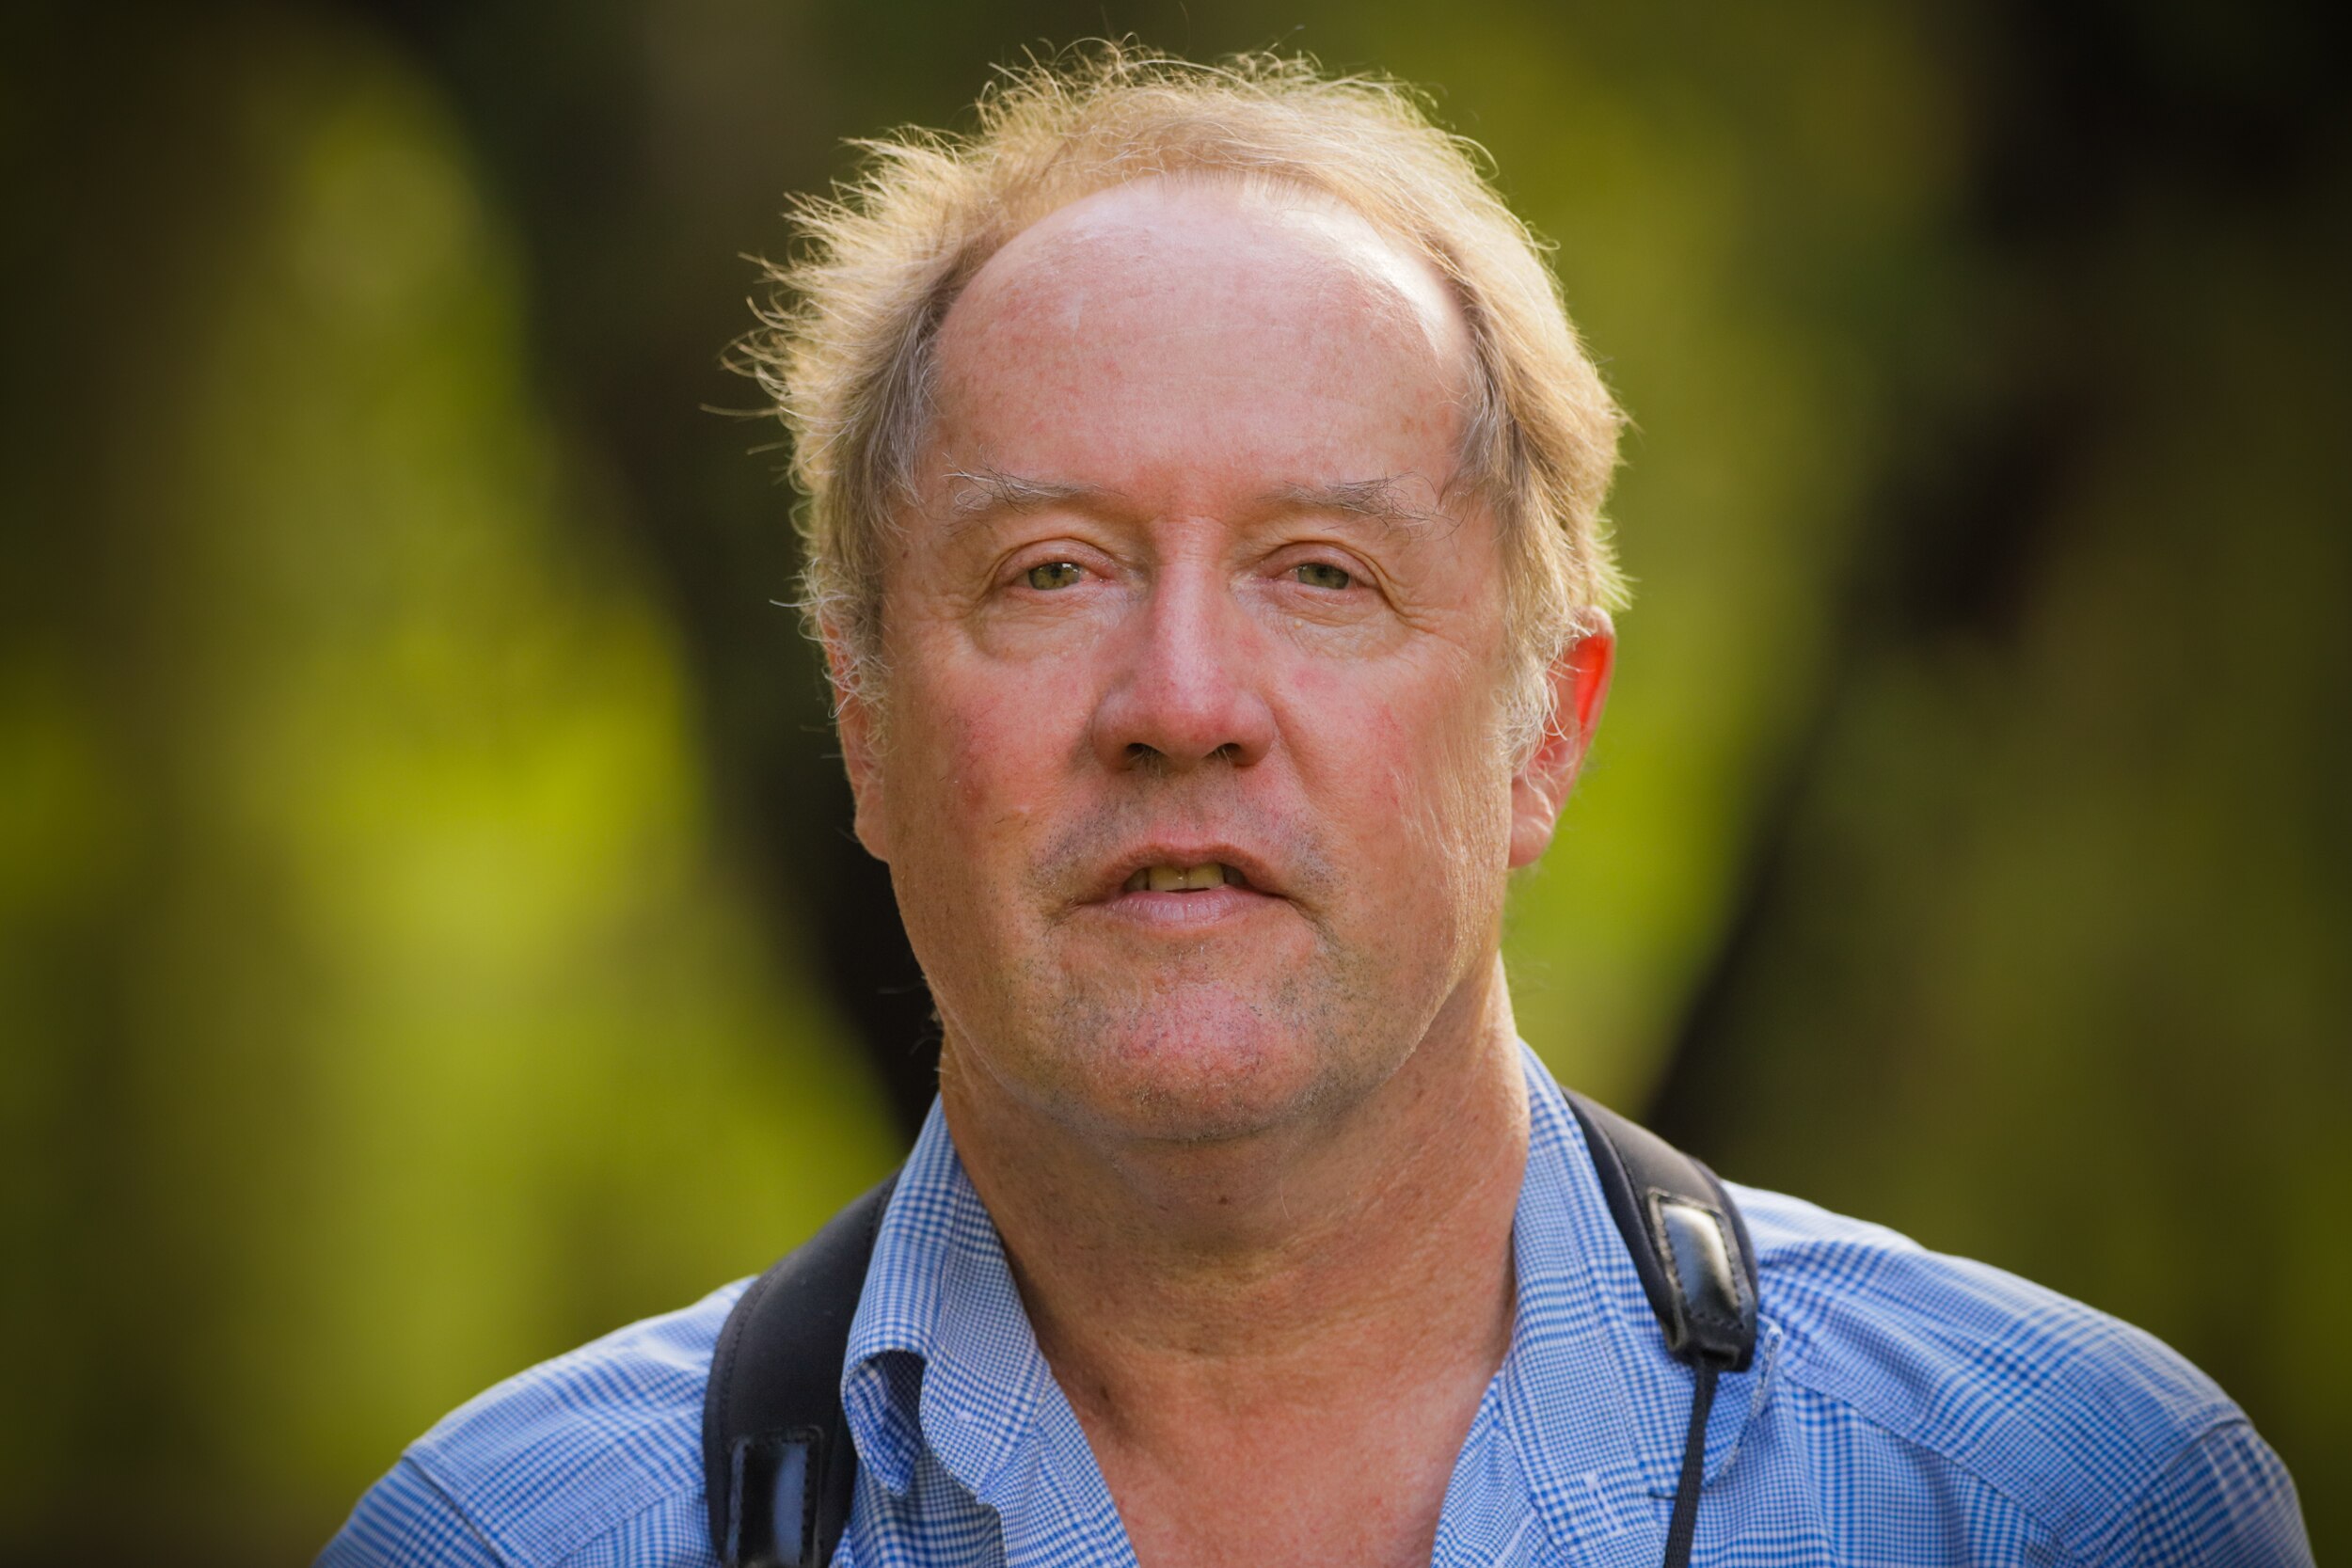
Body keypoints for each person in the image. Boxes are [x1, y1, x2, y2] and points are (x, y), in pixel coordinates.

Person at [319, 50, 2310, 1568]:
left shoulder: (2057, 1504)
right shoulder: (505, 1540)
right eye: (1049, 572)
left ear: (1541, 729)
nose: (1180, 705)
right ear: (863, 731)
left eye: (1319, 576)